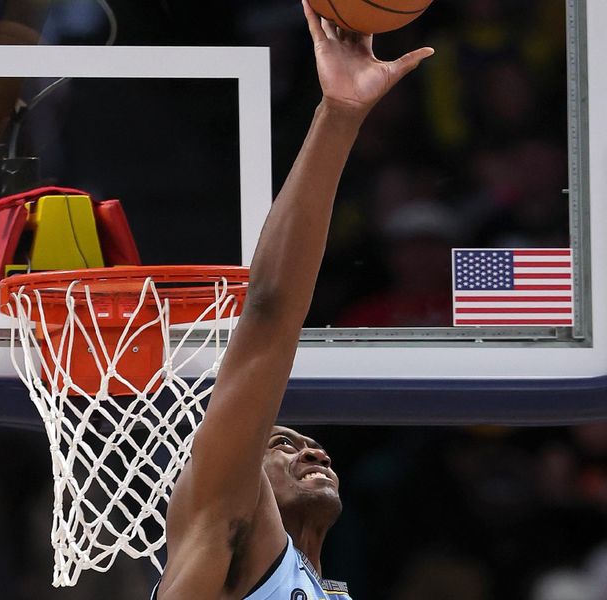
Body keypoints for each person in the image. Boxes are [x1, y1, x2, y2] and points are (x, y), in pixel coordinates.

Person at [152, 2, 434, 598]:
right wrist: (339, 116)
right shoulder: (224, 532)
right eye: (279, 443)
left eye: (294, 440)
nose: (310, 446)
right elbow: (269, 314)